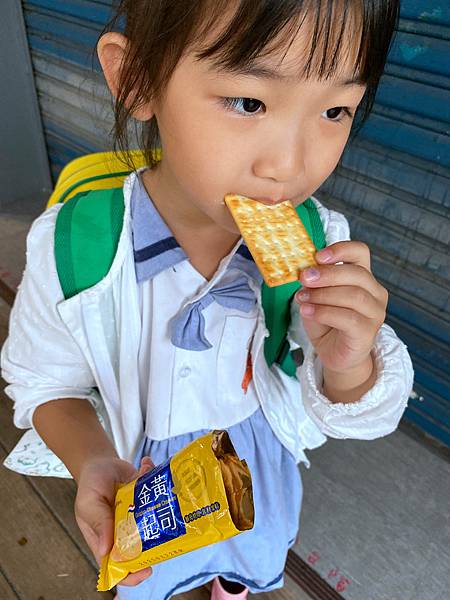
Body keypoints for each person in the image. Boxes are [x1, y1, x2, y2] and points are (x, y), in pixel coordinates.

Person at [1, 1, 414, 599]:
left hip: (253, 457)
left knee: (244, 544)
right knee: (154, 573)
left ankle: (232, 583)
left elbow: (353, 405)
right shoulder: (75, 248)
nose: (289, 166)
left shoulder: (321, 243)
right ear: (138, 79)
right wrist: (91, 459)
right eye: (248, 102)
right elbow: (44, 384)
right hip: (141, 471)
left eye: (335, 110)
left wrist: (350, 362)